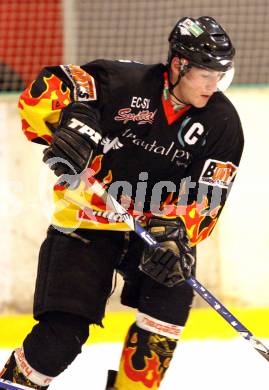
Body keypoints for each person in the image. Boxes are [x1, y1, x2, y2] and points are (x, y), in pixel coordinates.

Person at [0, 16, 244, 390]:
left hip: (154, 235)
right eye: (206, 75)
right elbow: (43, 91)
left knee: (162, 325)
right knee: (59, 338)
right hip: (85, 224)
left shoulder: (223, 123)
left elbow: (209, 199)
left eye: (221, 76)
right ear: (179, 65)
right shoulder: (122, 83)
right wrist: (73, 118)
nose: (215, 86)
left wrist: (177, 235)